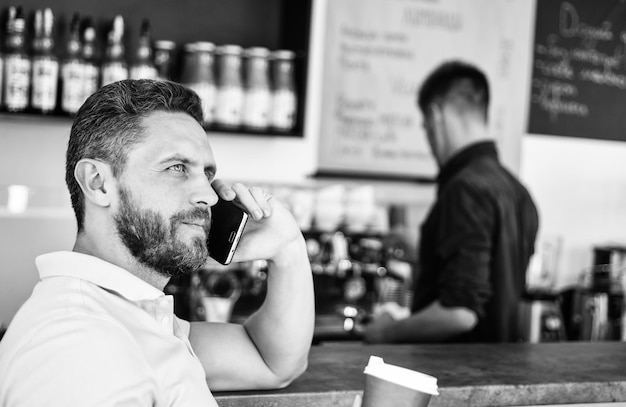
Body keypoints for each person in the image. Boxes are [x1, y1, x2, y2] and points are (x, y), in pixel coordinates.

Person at [0, 79, 315, 406]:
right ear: (98, 183)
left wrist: (288, 248)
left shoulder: (130, 314)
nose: (208, 195)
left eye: (207, 174)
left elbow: (270, 360)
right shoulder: (77, 345)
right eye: (177, 167)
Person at [364, 60, 539, 343]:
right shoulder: (517, 191)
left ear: (435, 116)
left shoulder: (464, 190)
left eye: (426, 128)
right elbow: (492, 285)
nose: (429, 140)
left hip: (459, 376)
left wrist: (385, 332)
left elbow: (459, 313)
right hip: (501, 372)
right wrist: (427, 251)